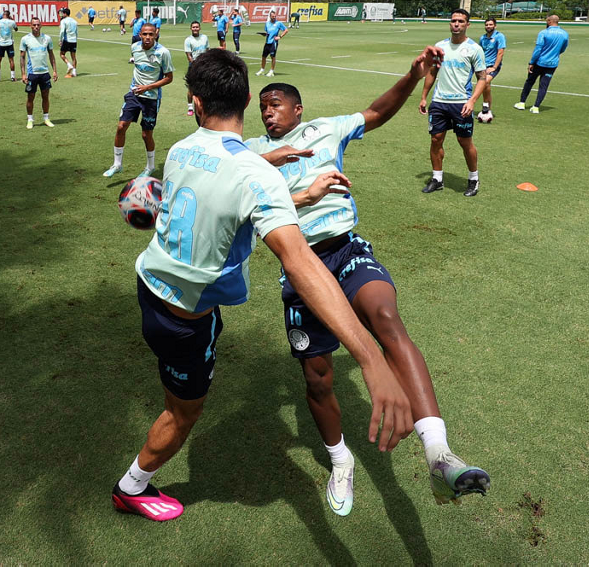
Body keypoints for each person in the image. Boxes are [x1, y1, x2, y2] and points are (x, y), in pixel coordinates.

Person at [111, 48, 413, 523]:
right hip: (186, 324)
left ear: (195, 103)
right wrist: (370, 359)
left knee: (178, 389)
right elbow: (300, 262)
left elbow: (230, 195)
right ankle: (130, 488)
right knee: (182, 414)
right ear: (249, 100)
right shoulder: (256, 175)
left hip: (148, 285)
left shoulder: (181, 150)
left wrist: (298, 191)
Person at [247, 57, 490, 516]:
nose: (267, 112)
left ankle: (439, 453)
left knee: (385, 317)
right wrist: (273, 161)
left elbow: (377, 112)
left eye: (275, 104)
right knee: (317, 378)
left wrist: (414, 77)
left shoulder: (325, 129)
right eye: (262, 107)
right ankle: (341, 461)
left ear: (298, 109)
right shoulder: (253, 150)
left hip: (344, 250)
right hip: (300, 266)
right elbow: (226, 173)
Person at [418, 9, 488, 196]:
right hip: (439, 102)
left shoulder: (474, 49)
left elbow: (482, 78)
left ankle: (473, 179)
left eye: (461, 21)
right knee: (435, 140)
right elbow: (432, 72)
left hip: (461, 103)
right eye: (453, 21)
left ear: (467, 25)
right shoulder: (440, 47)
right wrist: (424, 96)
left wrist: (472, 101)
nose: (456, 24)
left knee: (464, 141)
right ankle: (437, 179)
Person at [102, 22, 172, 178]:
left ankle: (150, 167)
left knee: (146, 135)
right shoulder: (134, 47)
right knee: (121, 126)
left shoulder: (163, 53)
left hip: (151, 98)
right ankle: (117, 164)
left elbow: (169, 78)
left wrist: (147, 87)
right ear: (140, 35)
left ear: (156, 35)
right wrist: (138, 87)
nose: (147, 37)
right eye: (144, 34)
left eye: (151, 34)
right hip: (133, 94)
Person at [514, 14, 569, 114]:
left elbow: (538, 49)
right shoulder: (565, 34)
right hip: (552, 64)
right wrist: (554, 54)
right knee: (544, 86)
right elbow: (563, 48)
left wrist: (531, 62)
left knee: (529, 82)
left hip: (539, 62)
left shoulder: (543, 32)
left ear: (549, 21)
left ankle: (522, 103)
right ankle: (536, 107)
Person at [19, 18, 57, 129]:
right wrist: (23, 74)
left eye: (38, 25)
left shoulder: (47, 38)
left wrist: (54, 70)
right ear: (30, 26)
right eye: (34, 25)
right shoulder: (25, 39)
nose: (36, 27)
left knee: (45, 96)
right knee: (31, 97)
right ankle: (30, 119)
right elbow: (22, 57)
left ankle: (46, 118)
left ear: (41, 26)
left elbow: (51, 55)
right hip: (32, 73)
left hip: (44, 73)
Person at [477, 17, 506, 121]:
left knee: (485, 82)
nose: (488, 26)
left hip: (492, 66)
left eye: (490, 24)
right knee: (485, 86)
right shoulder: (482, 38)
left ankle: (485, 106)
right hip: (482, 66)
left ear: (495, 26)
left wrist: (494, 67)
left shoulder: (499, 36)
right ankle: (488, 110)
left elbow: (500, 52)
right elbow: (480, 51)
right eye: (487, 25)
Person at [182, 21, 208, 116]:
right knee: (191, 88)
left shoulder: (204, 37)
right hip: (193, 66)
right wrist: (196, 65)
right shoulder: (188, 40)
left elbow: (207, 50)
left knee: (204, 86)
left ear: (199, 28)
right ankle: (190, 107)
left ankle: (203, 105)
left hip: (204, 66)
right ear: (191, 28)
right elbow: (189, 55)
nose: (195, 29)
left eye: (197, 27)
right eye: (193, 27)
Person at [255, 12, 287, 77]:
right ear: (270, 17)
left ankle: (271, 71)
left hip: (273, 42)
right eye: (273, 16)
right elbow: (267, 32)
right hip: (267, 42)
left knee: (273, 57)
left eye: (275, 16)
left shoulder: (278, 23)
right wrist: (265, 34)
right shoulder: (267, 23)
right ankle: (262, 70)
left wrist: (280, 37)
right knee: (263, 56)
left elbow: (286, 30)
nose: (274, 17)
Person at [0, 10, 18, 82]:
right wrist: (12, 20)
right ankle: (13, 77)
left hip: (1, 43)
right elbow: (16, 29)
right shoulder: (12, 22)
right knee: (11, 60)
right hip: (9, 43)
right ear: (9, 15)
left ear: (3, 15)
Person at [58, 7, 79, 78]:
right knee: (73, 57)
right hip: (74, 40)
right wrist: (75, 39)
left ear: (65, 14)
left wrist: (60, 40)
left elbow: (62, 31)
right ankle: (74, 72)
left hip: (67, 40)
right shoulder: (74, 21)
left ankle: (69, 65)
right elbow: (76, 32)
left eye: (63, 13)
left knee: (62, 54)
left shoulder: (63, 21)